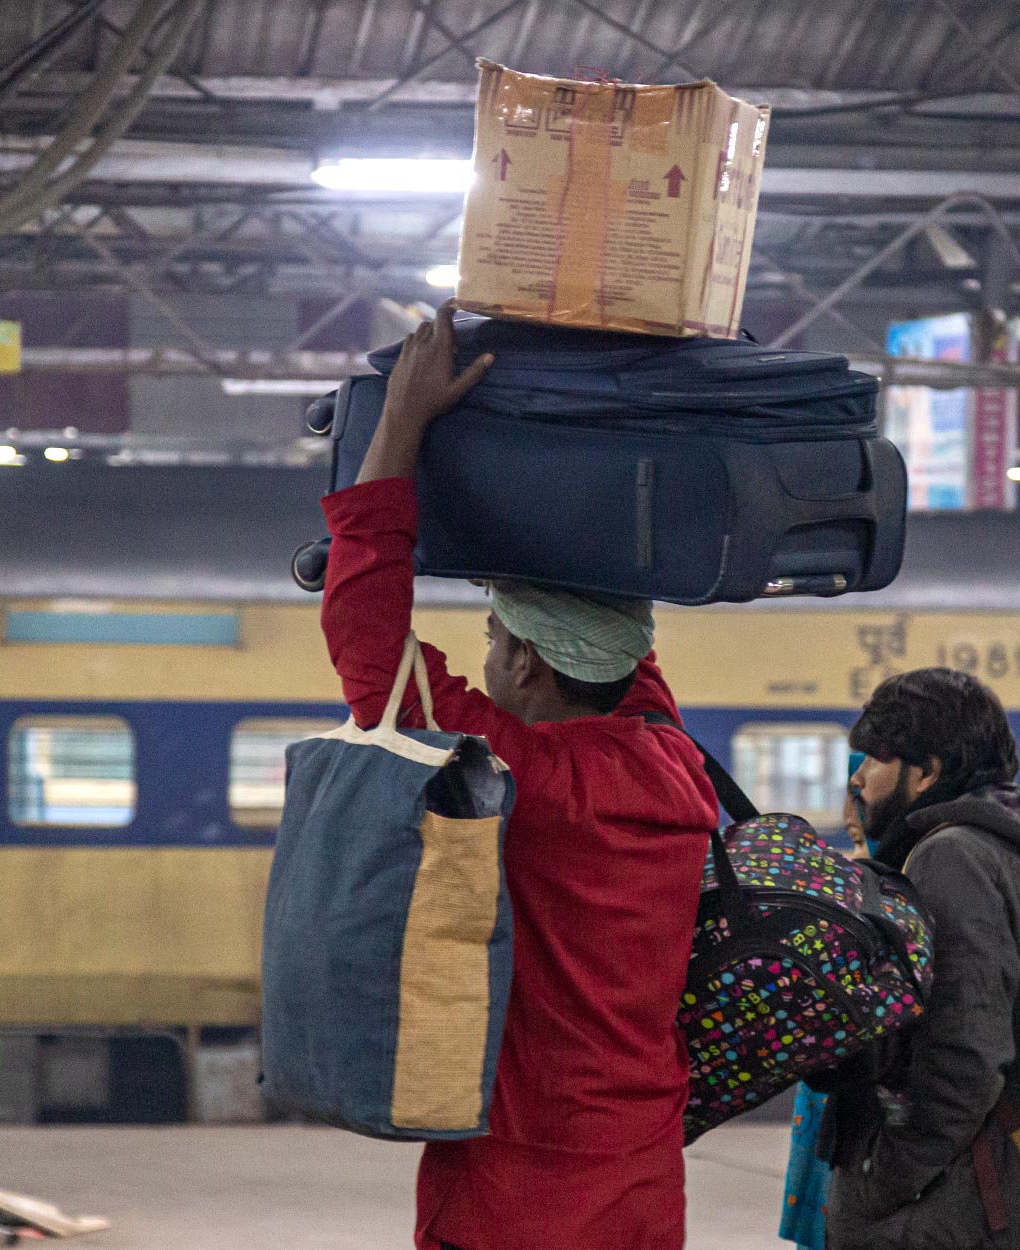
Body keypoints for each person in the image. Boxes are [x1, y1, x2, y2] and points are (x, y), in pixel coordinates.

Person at [319, 303, 719, 1250]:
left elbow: (370, 651)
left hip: (516, 1192)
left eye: (495, 637)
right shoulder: (671, 758)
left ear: (532, 668)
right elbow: (624, 644)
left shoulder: (519, 777)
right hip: (639, 1181)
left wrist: (404, 426)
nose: (484, 650)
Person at [821, 667, 1020, 1250]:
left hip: (976, 1208)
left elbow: (966, 1058)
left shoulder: (952, 857)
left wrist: (883, 1184)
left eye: (874, 759)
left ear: (926, 772)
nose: (858, 778)